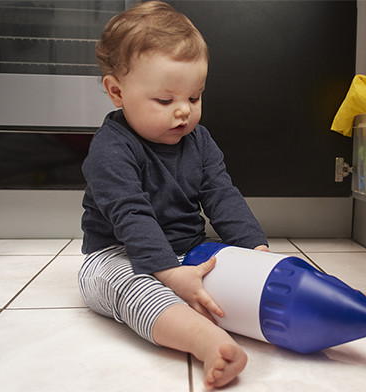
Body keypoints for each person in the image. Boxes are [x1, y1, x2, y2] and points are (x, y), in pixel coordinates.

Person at [77, 2, 267, 388]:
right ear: (117, 91)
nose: (183, 112)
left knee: (242, 268)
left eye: (194, 98)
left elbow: (222, 195)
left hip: (189, 248)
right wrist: (168, 274)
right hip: (117, 254)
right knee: (136, 288)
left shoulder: (199, 140)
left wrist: (257, 255)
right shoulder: (111, 149)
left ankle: (321, 297)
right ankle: (206, 341)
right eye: (165, 101)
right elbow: (131, 214)